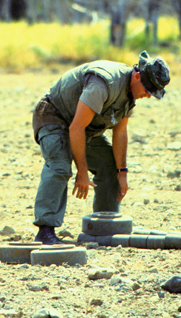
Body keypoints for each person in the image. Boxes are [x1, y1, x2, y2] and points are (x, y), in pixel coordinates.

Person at [31, 51, 170, 244]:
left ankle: (105, 227)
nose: (147, 96)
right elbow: (76, 127)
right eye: (147, 90)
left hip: (84, 128)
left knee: (110, 167)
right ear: (137, 76)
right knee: (60, 166)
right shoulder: (103, 83)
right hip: (54, 117)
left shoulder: (130, 93)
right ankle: (45, 231)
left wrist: (122, 172)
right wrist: (82, 171)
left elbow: (120, 132)